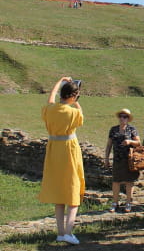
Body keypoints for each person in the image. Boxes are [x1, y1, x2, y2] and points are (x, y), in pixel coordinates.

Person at [38, 76, 84, 245]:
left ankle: (60, 232)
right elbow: (80, 114)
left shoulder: (50, 110)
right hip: (69, 150)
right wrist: (76, 100)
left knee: (59, 193)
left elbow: (51, 98)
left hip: (53, 151)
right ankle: (68, 232)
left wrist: (59, 82)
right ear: (73, 96)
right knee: (72, 191)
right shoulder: (73, 112)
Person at [105, 108, 141, 213]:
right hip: (117, 159)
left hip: (129, 159)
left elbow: (138, 143)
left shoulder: (132, 129)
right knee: (116, 181)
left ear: (128, 119)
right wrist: (106, 158)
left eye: (125, 116)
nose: (122, 118)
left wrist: (129, 141)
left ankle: (128, 203)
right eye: (121, 116)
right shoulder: (113, 129)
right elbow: (109, 145)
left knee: (129, 181)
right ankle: (115, 203)